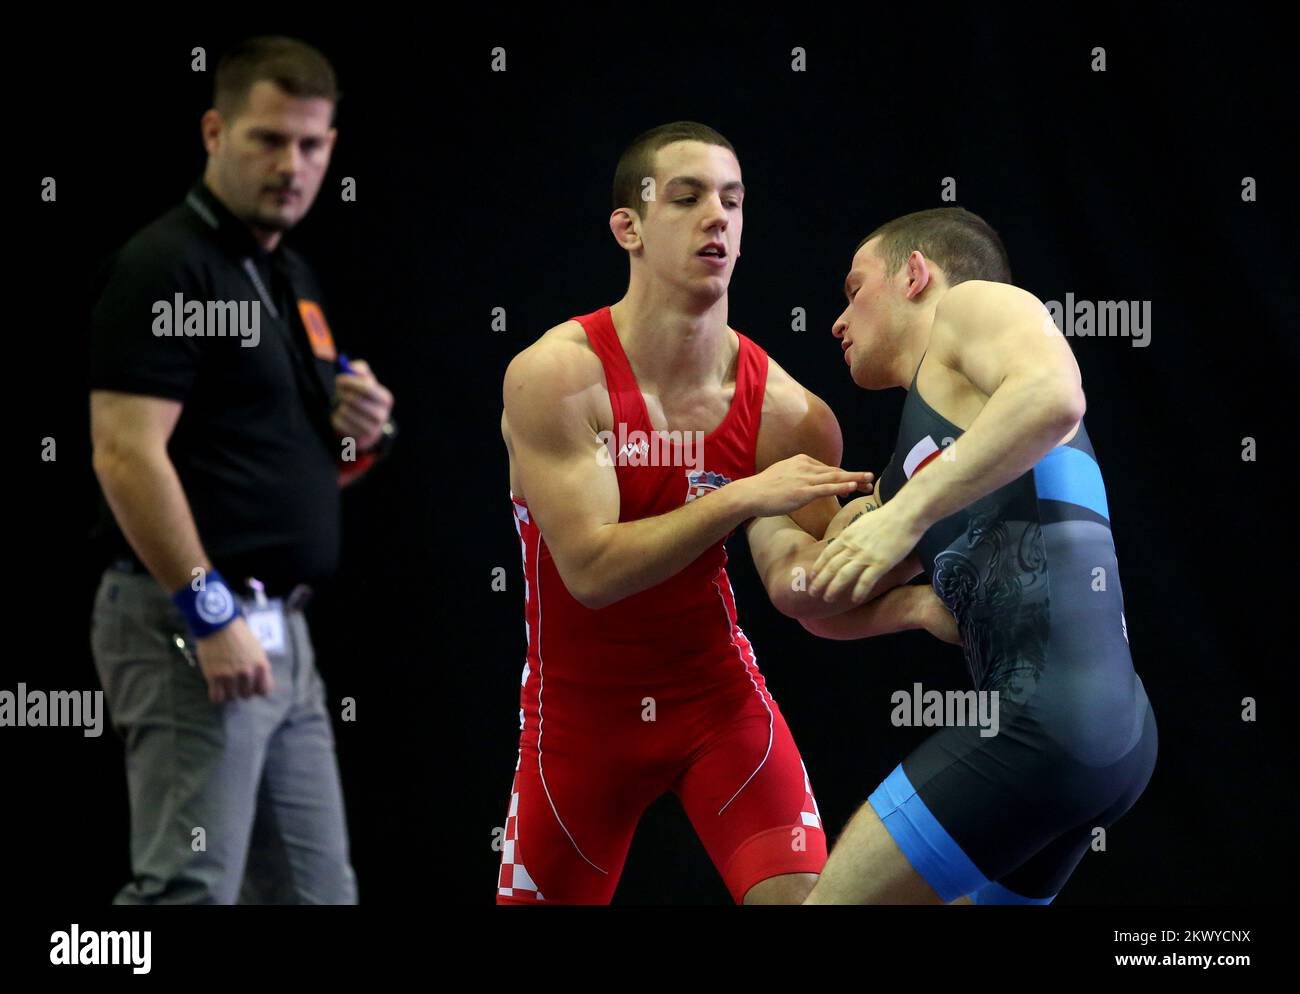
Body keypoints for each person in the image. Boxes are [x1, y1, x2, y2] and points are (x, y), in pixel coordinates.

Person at [497, 122, 953, 905]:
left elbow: (807, 587)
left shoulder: (789, 415)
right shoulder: (555, 377)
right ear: (628, 228)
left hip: (717, 704)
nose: (718, 216)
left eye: (733, 201)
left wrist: (924, 547)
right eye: (688, 197)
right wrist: (740, 493)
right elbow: (593, 572)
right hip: (575, 727)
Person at [88, 36, 395, 904]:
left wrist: (360, 435)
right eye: (267, 139)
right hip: (189, 620)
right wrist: (206, 606)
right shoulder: (165, 264)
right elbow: (123, 451)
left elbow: (290, 467)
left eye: (310, 144)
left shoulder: (282, 270)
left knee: (316, 895)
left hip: (281, 635)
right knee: (185, 891)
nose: (290, 165)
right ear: (215, 131)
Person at [787, 207, 1155, 904]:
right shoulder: (912, 467)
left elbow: (1054, 396)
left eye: (854, 289)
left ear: (917, 273)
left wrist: (905, 517)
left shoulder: (974, 306)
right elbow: (816, 603)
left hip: (1041, 725)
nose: (838, 320)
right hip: (1107, 736)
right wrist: (916, 604)